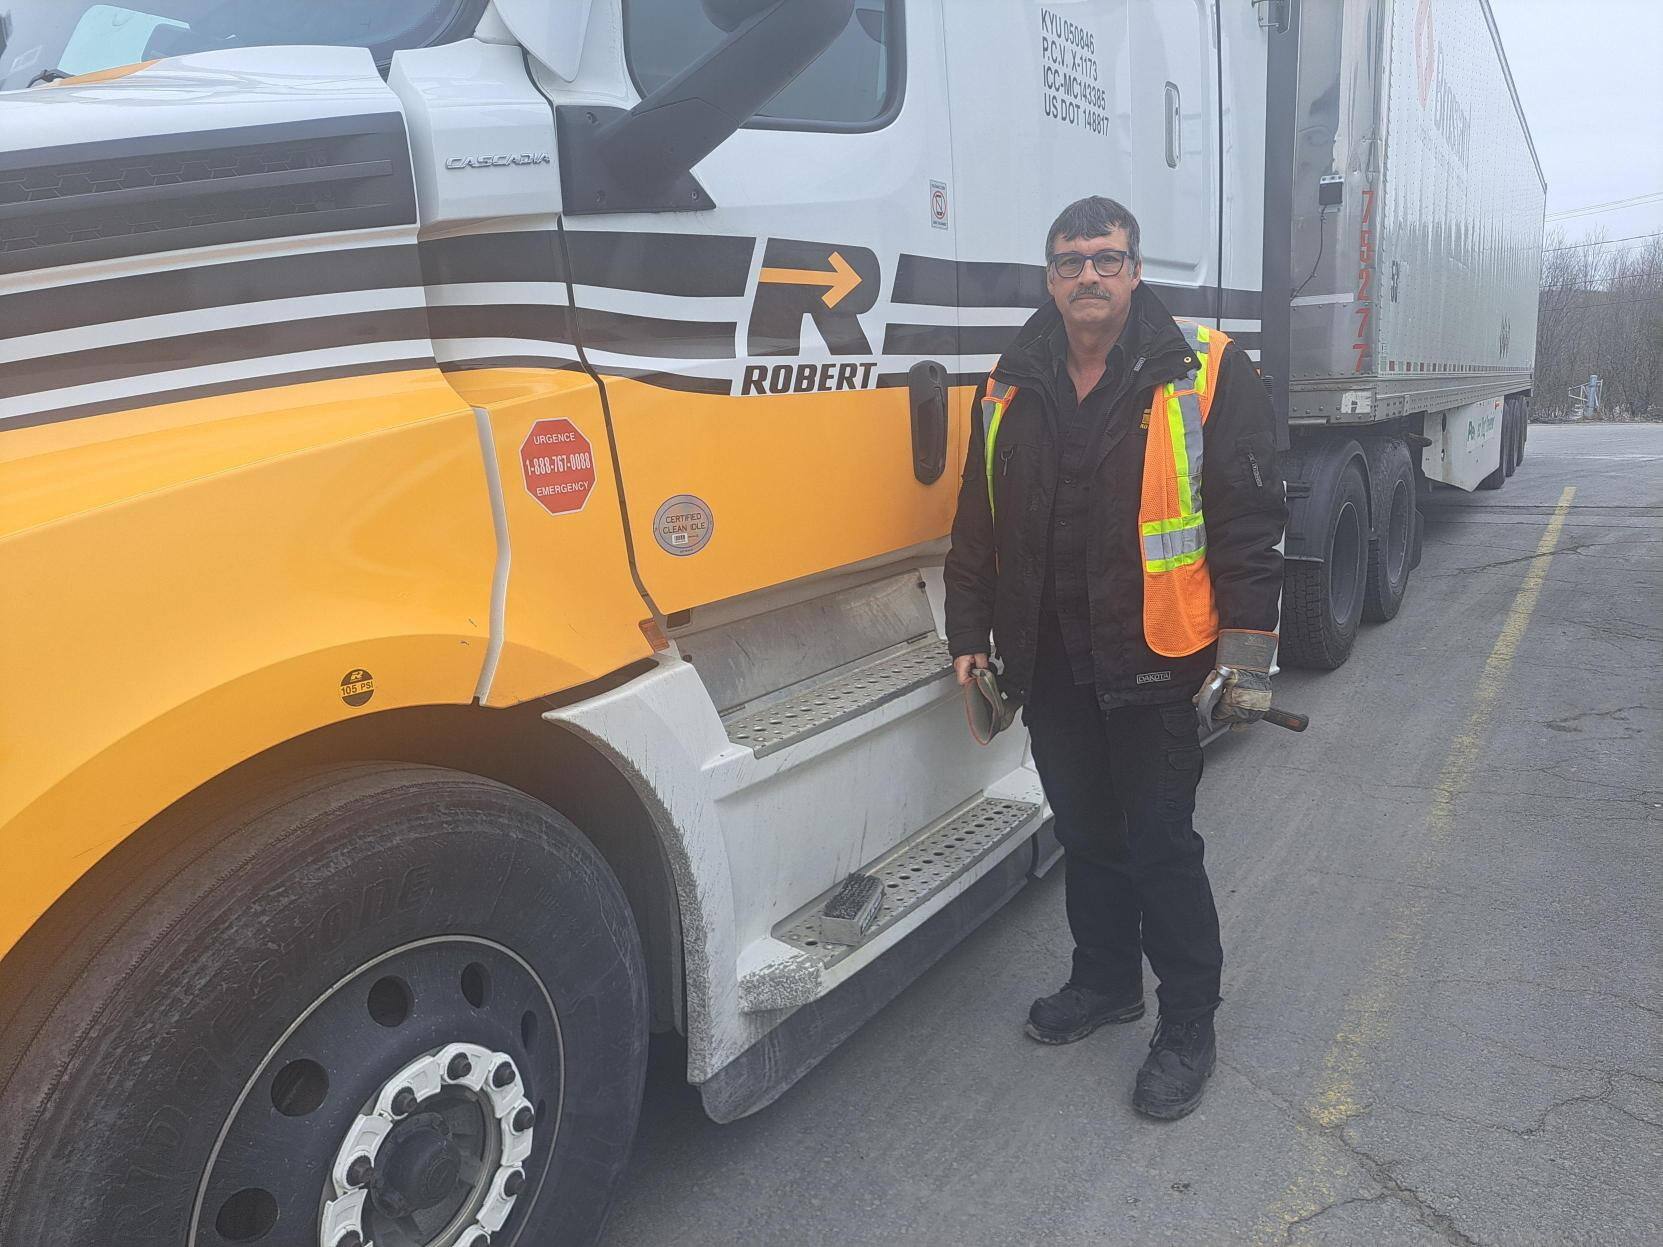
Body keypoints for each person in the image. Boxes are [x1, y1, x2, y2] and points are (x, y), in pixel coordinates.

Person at [944, 195, 1287, 1120]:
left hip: (1157, 658)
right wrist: (967, 633)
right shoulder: (1009, 381)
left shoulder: (1203, 369)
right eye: (1070, 261)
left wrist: (1245, 657)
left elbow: (1250, 522)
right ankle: (1104, 981)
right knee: (1087, 834)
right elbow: (976, 519)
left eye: (1106, 258)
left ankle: (1188, 1024)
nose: (1087, 275)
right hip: (1049, 659)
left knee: (1160, 845)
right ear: (1049, 279)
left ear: (1135, 271)